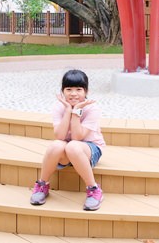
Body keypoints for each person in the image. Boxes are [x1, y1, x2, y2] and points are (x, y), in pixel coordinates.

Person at [30, 69, 105, 211]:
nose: (74, 93)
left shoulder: (92, 108)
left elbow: (78, 137)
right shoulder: (59, 107)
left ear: (86, 91)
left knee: (73, 146)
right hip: (68, 147)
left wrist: (76, 111)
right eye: (69, 89)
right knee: (55, 146)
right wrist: (67, 110)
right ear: (63, 91)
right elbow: (60, 136)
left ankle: (94, 189)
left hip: (90, 148)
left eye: (78, 89)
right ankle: (42, 185)